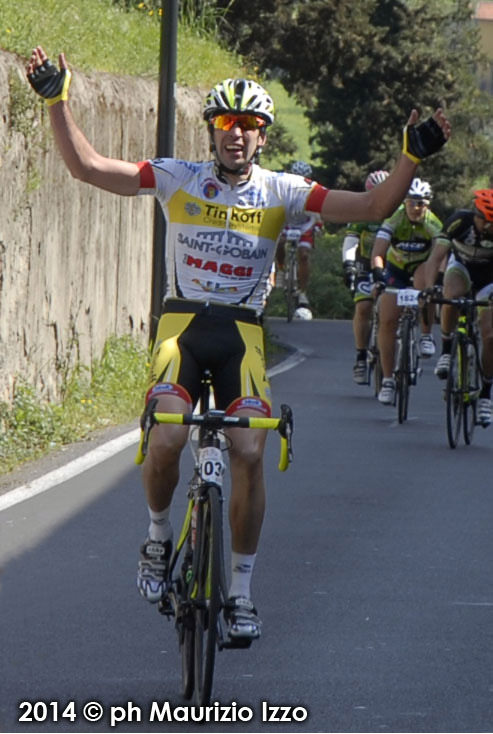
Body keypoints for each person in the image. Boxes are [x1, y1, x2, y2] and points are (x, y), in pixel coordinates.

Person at [26, 45, 451, 641]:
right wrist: (57, 101)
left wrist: (409, 158)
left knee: (250, 453)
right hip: (182, 328)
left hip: (243, 337)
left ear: (263, 138)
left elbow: (374, 205)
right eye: (227, 122)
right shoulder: (178, 177)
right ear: (212, 131)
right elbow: (90, 168)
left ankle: (243, 592)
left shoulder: (283, 190)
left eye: (249, 126)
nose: (237, 134)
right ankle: (156, 537)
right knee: (169, 433)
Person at [370, 178, 443, 405]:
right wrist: (379, 275)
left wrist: (437, 280)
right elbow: (378, 253)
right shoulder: (395, 219)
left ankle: (426, 334)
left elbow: (440, 258)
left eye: (420, 203)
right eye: (411, 202)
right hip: (396, 269)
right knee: (388, 320)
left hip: (422, 267)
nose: (415, 207)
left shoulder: (433, 224)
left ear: (427, 205)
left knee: (426, 284)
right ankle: (389, 380)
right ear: (405, 202)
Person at [424, 189, 493, 427]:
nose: (487, 226)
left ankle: (486, 395)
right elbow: (436, 257)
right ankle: (445, 350)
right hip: (461, 268)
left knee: (490, 335)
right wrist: (431, 287)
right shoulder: (460, 221)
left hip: (489, 278)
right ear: (475, 214)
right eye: (484, 219)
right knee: (450, 295)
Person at [342, 170, 389, 383]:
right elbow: (351, 241)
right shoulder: (363, 212)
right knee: (363, 307)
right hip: (365, 264)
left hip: (393, 265)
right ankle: (361, 356)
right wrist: (349, 265)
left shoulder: (399, 212)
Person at [275, 161, 323, 319]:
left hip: (305, 226)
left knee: (304, 255)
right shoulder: (283, 187)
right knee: (280, 243)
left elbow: (319, 209)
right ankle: (281, 269)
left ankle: (302, 292)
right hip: (287, 223)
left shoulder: (313, 189)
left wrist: (318, 226)